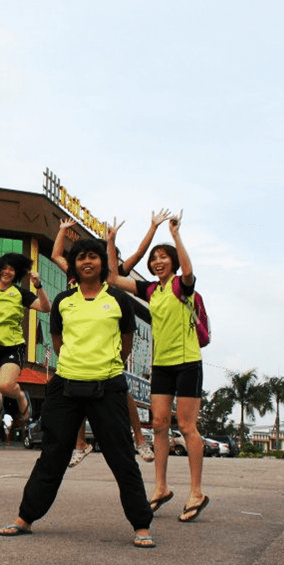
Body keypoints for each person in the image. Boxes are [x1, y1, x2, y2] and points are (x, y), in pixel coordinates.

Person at [0, 239, 154, 547]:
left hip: (107, 385)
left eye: (93, 256)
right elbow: (57, 342)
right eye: (81, 257)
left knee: (122, 457)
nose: (87, 262)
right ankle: (25, 519)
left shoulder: (118, 299)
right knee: (52, 455)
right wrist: (77, 364)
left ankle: (142, 525)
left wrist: (102, 365)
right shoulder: (64, 300)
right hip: (67, 385)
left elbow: (125, 345)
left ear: (101, 263)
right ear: (75, 264)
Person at [107, 212, 208, 522]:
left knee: (187, 426)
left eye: (163, 258)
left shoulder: (182, 285)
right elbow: (112, 279)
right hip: (161, 365)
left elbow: (189, 270)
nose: (157, 262)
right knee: (160, 424)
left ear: (173, 262)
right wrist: (111, 242)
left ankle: (196, 492)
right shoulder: (152, 290)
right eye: (154, 259)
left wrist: (175, 234)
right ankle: (161, 487)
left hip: (188, 362)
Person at [51, 214, 169, 467]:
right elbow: (56, 256)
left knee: (123, 392)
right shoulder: (76, 277)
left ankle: (139, 440)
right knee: (76, 394)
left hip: (106, 347)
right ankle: (81, 444)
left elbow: (138, 253)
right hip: (80, 344)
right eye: (85, 256)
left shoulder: (111, 279)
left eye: (100, 254)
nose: (89, 260)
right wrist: (62, 230)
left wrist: (151, 228)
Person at [0, 253, 51, 431]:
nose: (7, 272)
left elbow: (46, 308)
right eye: (4, 268)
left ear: (17, 273)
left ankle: (21, 396)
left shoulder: (20, 293)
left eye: (12, 269)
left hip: (12, 347)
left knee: (5, 385)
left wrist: (39, 286)